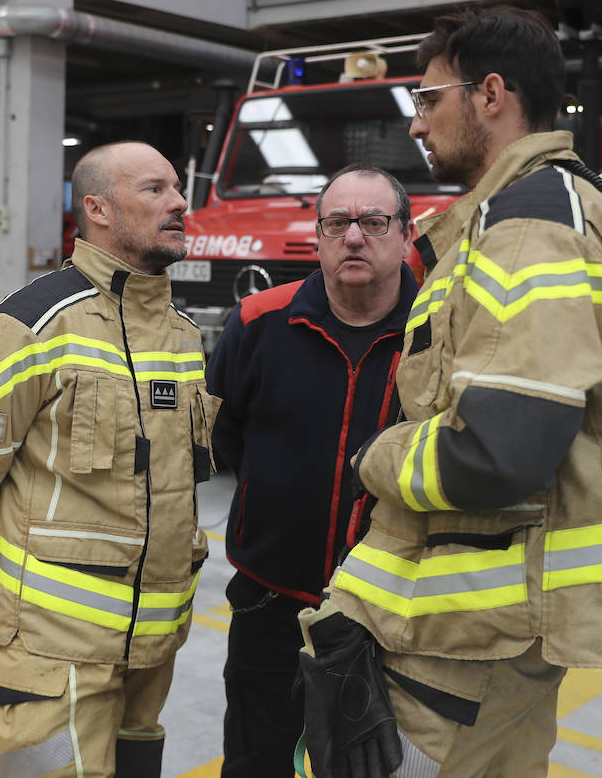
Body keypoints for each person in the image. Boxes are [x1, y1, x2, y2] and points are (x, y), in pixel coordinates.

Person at [297, 6, 602, 778]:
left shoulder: (530, 226)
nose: (416, 125)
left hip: (463, 638)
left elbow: (500, 450)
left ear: (491, 95)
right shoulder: (543, 212)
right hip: (484, 626)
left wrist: (375, 456)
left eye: (429, 99)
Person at [0, 141, 217, 778]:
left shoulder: (182, 335)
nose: (178, 202)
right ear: (98, 209)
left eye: (177, 189)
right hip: (52, 651)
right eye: (154, 190)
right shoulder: (26, 325)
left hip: (153, 650)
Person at [207, 164, 418, 778]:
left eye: (373, 222)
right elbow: (223, 438)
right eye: (337, 223)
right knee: (256, 761)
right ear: (319, 235)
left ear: (405, 234)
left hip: (393, 613)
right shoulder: (257, 324)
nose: (354, 237)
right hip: (269, 601)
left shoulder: (440, 331)